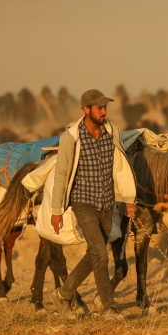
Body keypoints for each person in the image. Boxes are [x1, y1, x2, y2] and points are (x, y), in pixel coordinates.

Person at [49, 89, 137, 320]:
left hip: (107, 202)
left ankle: (63, 294)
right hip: (83, 201)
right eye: (99, 108)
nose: (104, 112)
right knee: (100, 252)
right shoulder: (71, 138)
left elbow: (119, 166)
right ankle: (108, 307)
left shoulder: (111, 131)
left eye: (105, 107)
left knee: (95, 253)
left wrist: (129, 199)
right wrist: (56, 210)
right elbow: (62, 174)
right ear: (86, 109)